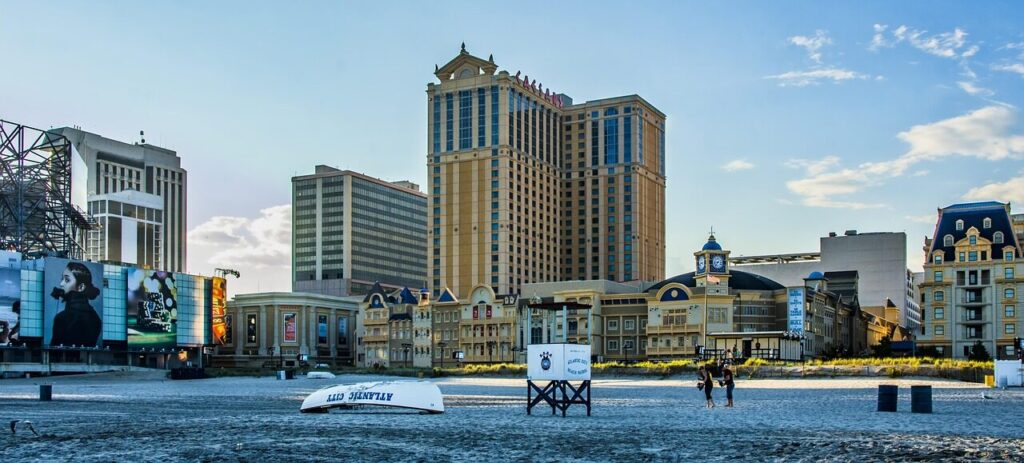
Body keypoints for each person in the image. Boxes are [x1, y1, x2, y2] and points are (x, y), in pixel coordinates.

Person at [50, 262, 102, 347]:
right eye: (62, 279)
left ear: (81, 287)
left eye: (67, 280)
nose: (61, 284)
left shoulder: (62, 318)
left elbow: (54, 351)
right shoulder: (96, 318)